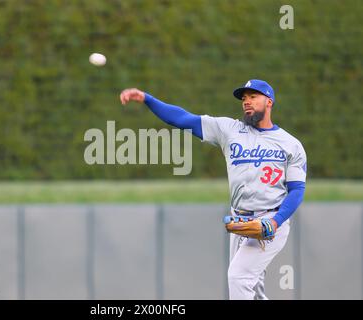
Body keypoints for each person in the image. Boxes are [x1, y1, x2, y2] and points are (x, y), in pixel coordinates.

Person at [119, 79, 307, 300]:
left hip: (272, 220)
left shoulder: (290, 144)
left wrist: (275, 222)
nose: (247, 102)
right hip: (241, 223)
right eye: (244, 98)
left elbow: (296, 190)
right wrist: (146, 99)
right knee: (252, 289)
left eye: (253, 97)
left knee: (238, 277)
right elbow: (182, 119)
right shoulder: (229, 129)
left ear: (269, 102)